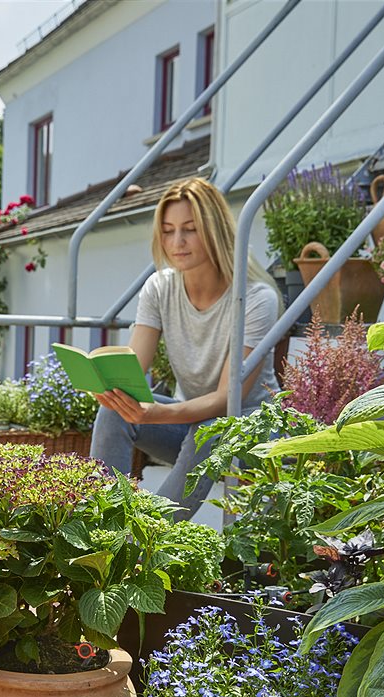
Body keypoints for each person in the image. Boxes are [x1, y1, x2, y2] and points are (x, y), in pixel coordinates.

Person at [89, 177, 283, 520]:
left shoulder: (255, 299)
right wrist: (109, 386)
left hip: (253, 432)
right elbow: (134, 368)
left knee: (211, 427)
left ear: (214, 230)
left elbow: (228, 399)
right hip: (192, 425)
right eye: (167, 230)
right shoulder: (160, 287)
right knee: (114, 411)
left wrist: (157, 413)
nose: (177, 242)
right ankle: (104, 522)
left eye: (190, 229)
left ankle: (151, 535)